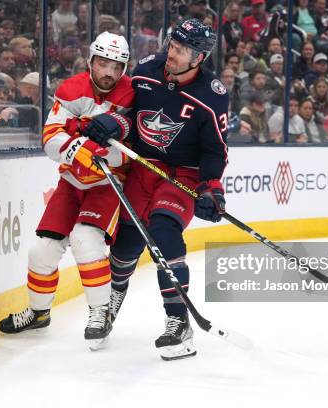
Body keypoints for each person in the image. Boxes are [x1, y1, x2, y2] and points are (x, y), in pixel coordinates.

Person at [83, 18, 228, 361]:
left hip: (183, 175)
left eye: (180, 50)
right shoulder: (147, 70)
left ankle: (178, 320)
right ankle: (110, 304)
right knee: (125, 245)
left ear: (198, 58)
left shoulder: (212, 94)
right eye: (171, 46)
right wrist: (114, 124)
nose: (171, 54)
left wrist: (212, 189)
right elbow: (132, 116)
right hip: (144, 168)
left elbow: (214, 150)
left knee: (163, 230)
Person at [0, 32, 134, 350]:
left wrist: (109, 154)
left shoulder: (132, 95)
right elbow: (50, 138)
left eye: (117, 66)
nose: (109, 72)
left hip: (108, 184)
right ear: (90, 61)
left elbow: (130, 150)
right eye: (103, 63)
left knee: (86, 241)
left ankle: (101, 313)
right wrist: (79, 148)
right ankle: (38, 313)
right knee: (41, 251)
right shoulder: (71, 89)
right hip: (71, 182)